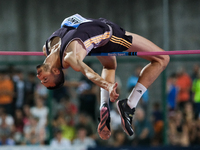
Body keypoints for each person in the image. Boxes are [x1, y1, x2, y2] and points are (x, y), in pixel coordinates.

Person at [36, 14, 169, 140]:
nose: (40, 77)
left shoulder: (46, 48)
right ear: (56, 71)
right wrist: (108, 85)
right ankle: (129, 105)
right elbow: (89, 73)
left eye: (42, 81)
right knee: (162, 58)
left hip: (95, 34)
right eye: (45, 79)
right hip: (107, 35)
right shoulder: (70, 57)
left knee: (109, 66)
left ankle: (104, 105)